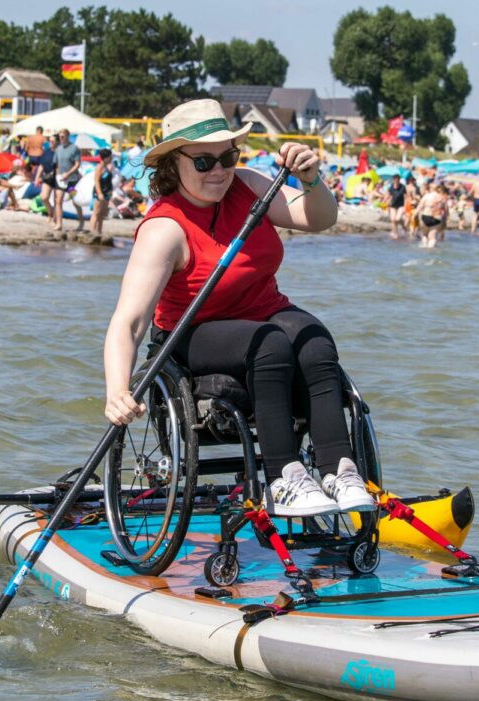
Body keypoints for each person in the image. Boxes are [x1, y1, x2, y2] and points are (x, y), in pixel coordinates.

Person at [102, 99, 375, 518]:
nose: (219, 170)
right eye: (205, 161)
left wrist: (311, 179)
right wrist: (117, 389)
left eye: (228, 156)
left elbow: (318, 218)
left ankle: (338, 469)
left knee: (316, 341)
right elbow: (131, 319)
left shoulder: (247, 185)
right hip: (192, 333)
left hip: (264, 309)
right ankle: (284, 477)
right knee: (269, 344)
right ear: (173, 165)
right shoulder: (164, 229)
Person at [52, 129, 83, 230]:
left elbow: (77, 164)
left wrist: (68, 174)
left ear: (67, 136)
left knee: (75, 201)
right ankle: (59, 223)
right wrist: (58, 175)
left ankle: (81, 222)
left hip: (72, 180)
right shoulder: (58, 149)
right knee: (58, 200)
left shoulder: (74, 148)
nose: (61, 138)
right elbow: (56, 164)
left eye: (63, 136)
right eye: (60, 136)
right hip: (61, 180)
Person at [414, 181, 448, 248]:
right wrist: (445, 221)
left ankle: (424, 247)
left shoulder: (426, 196)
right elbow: (446, 211)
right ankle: (431, 249)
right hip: (437, 218)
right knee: (432, 236)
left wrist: (414, 217)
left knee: (424, 234)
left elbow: (419, 208)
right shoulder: (442, 198)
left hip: (425, 217)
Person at [90, 148, 114, 234]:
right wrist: (100, 194)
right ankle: (92, 232)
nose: (111, 158)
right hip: (99, 193)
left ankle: (99, 232)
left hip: (106, 193)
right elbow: (96, 181)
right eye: (110, 157)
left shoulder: (107, 167)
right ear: (105, 157)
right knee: (96, 213)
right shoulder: (99, 167)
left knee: (102, 214)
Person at [386, 174, 407, 239]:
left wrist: (406, 206)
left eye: (397, 179)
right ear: (393, 180)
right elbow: (388, 195)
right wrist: (384, 201)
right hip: (393, 205)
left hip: (401, 205)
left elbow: (406, 196)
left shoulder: (402, 187)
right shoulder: (391, 186)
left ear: (399, 179)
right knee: (393, 219)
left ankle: (403, 225)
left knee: (397, 219)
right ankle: (395, 233)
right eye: (395, 179)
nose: (396, 180)